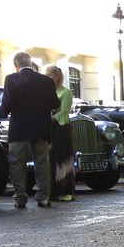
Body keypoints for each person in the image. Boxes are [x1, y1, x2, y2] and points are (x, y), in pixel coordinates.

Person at [1, 52, 60, 208]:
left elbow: (6, 106)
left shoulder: (11, 79)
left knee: (17, 163)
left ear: (16, 65)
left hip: (19, 128)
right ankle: (43, 196)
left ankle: (20, 197)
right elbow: (56, 104)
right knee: (42, 162)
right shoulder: (46, 81)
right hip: (41, 127)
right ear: (31, 63)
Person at [46, 65, 75, 201]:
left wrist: (51, 118)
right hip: (49, 128)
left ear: (57, 76)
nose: (47, 77)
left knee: (63, 159)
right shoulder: (47, 92)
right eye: (46, 74)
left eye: (50, 74)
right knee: (51, 159)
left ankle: (66, 191)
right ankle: (53, 191)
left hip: (61, 127)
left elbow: (64, 111)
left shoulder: (66, 92)